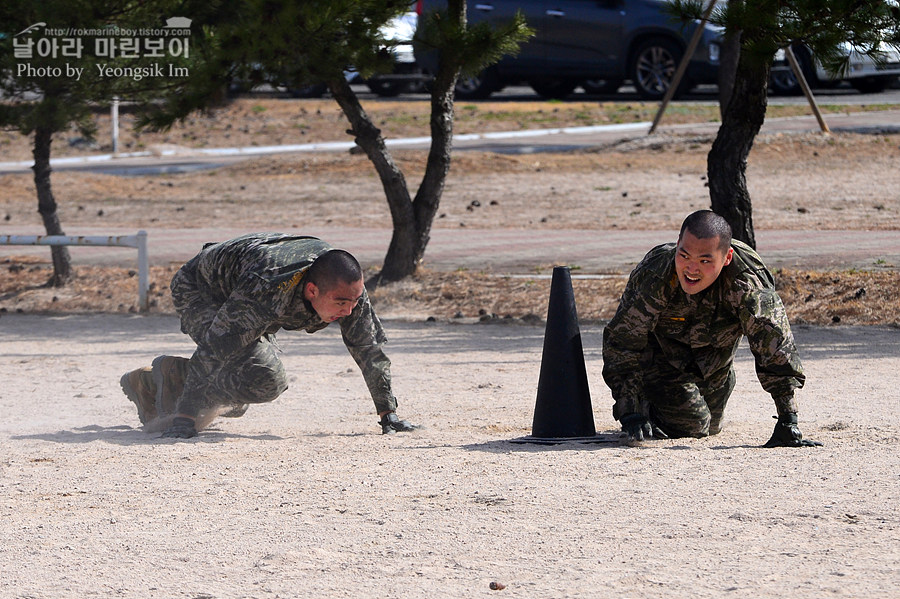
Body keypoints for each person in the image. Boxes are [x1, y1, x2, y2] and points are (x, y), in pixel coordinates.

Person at [120, 233, 417, 439]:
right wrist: (185, 418)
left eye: (353, 303)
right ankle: (164, 385)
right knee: (264, 380)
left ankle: (163, 379)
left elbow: (368, 347)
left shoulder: (348, 289)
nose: (349, 311)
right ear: (312, 291)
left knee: (241, 395)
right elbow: (216, 347)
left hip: (248, 289)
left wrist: (387, 411)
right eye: (341, 304)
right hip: (202, 290)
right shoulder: (268, 285)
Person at [602, 210, 821, 447]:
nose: (691, 269)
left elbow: (774, 344)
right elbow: (622, 342)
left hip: (715, 365)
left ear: (727, 258)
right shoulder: (656, 276)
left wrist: (788, 419)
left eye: (705, 261)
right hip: (661, 363)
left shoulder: (747, 282)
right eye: (684, 255)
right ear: (677, 245)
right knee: (693, 425)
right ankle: (648, 402)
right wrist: (630, 409)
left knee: (711, 427)